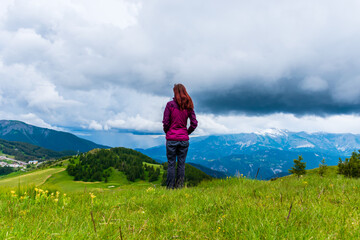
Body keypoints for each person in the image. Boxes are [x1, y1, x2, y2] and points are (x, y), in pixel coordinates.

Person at [162, 84, 198, 189]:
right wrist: (186, 132)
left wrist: (168, 132)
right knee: (181, 164)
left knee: (171, 164)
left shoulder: (170, 105)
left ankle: (169, 189)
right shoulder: (189, 105)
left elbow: (166, 122)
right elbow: (194, 123)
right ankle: (180, 188)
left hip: (171, 139)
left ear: (175, 92)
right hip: (183, 140)